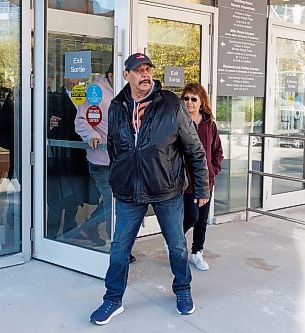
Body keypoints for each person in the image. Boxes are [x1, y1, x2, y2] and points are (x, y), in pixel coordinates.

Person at [89, 53, 209, 325]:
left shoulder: (170, 104)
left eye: (148, 70)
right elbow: (115, 147)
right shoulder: (117, 105)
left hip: (166, 189)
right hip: (129, 191)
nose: (145, 75)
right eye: (138, 70)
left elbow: (194, 149)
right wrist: (117, 178)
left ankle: (183, 290)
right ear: (126, 76)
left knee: (177, 245)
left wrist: (201, 186)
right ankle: (112, 299)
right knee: (119, 247)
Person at [74, 64, 136, 261]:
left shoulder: (125, 92)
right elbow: (81, 120)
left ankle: (86, 228)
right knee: (113, 204)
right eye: (124, 75)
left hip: (123, 160)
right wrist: (92, 135)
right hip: (102, 160)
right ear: (111, 75)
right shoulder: (97, 91)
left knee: (115, 202)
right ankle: (118, 248)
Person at [181, 83, 223, 271]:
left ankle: (197, 252)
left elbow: (217, 151)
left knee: (202, 219)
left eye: (193, 99)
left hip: (206, 180)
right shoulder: (178, 122)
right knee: (191, 215)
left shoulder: (209, 124)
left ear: (201, 102)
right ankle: (173, 238)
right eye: (186, 98)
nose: (189, 102)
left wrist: (214, 169)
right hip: (187, 180)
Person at [47, 76, 94, 238]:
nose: (73, 80)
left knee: (75, 195)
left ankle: (70, 229)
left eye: (76, 75)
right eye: (68, 75)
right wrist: (48, 123)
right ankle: (50, 233)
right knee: (57, 197)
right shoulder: (53, 97)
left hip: (80, 154)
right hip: (60, 154)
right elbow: (38, 122)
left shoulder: (88, 97)